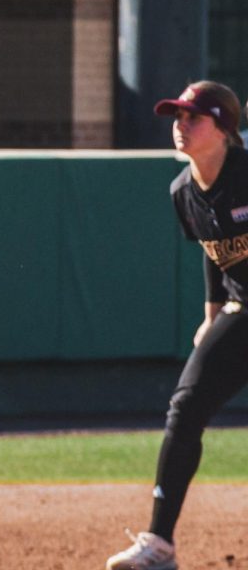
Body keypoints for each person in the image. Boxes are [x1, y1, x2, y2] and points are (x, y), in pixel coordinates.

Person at [105, 80, 248, 570]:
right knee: (186, 408)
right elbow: (215, 249)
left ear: (224, 130)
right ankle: (159, 545)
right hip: (243, 311)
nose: (181, 125)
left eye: (194, 117)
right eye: (177, 116)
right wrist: (212, 313)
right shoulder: (183, 192)